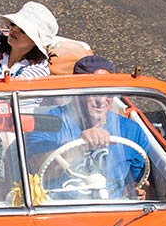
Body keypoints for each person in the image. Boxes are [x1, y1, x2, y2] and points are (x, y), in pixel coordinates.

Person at [25, 56, 151, 200]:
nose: (101, 100)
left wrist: (133, 191)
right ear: (76, 92)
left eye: (108, 92)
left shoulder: (132, 131)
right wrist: (79, 147)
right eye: (93, 92)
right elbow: (38, 171)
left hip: (113, 208)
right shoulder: (46, 123)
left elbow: (136, 182)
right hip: (59, 208)